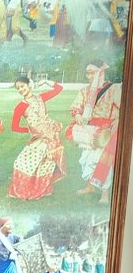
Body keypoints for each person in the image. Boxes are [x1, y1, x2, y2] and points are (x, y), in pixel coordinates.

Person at [66, 63, 121, 206]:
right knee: (86, 159)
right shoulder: (85, 91)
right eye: (87, 73)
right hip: (89, 130)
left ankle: (104, 194)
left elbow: (124, 106)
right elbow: (76, 106)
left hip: (106, 130)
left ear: (101, 72)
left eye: (92, 73)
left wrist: (119, 119)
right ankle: (89, 187)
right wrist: (77, 114)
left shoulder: (113, 88)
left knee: (102, 161)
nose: (89, 76)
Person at [9, 76, 66, 201]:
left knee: (47, 163)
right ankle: (30, 189)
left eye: (22, 86)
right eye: (18, 88)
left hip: (50, 135)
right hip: (38, 138)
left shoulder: (41, 97)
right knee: (21, 163)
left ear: (29, 85)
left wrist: (46, 81)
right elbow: (14, 127)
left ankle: (43, 189)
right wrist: (30, 130)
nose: (20, 89)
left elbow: (59, 88)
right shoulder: (20, 106)